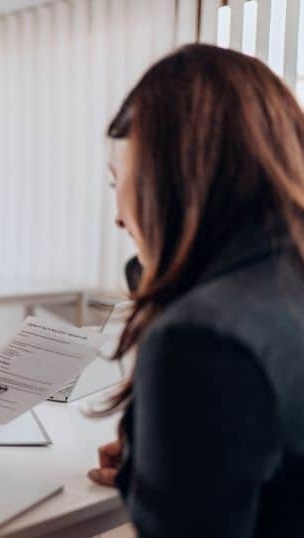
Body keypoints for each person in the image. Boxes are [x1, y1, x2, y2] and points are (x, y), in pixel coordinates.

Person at [87, 44, 304, 536]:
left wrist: (149, 473)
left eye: (118, 178)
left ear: (169, 177)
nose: (120, 216)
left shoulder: (200, 338)